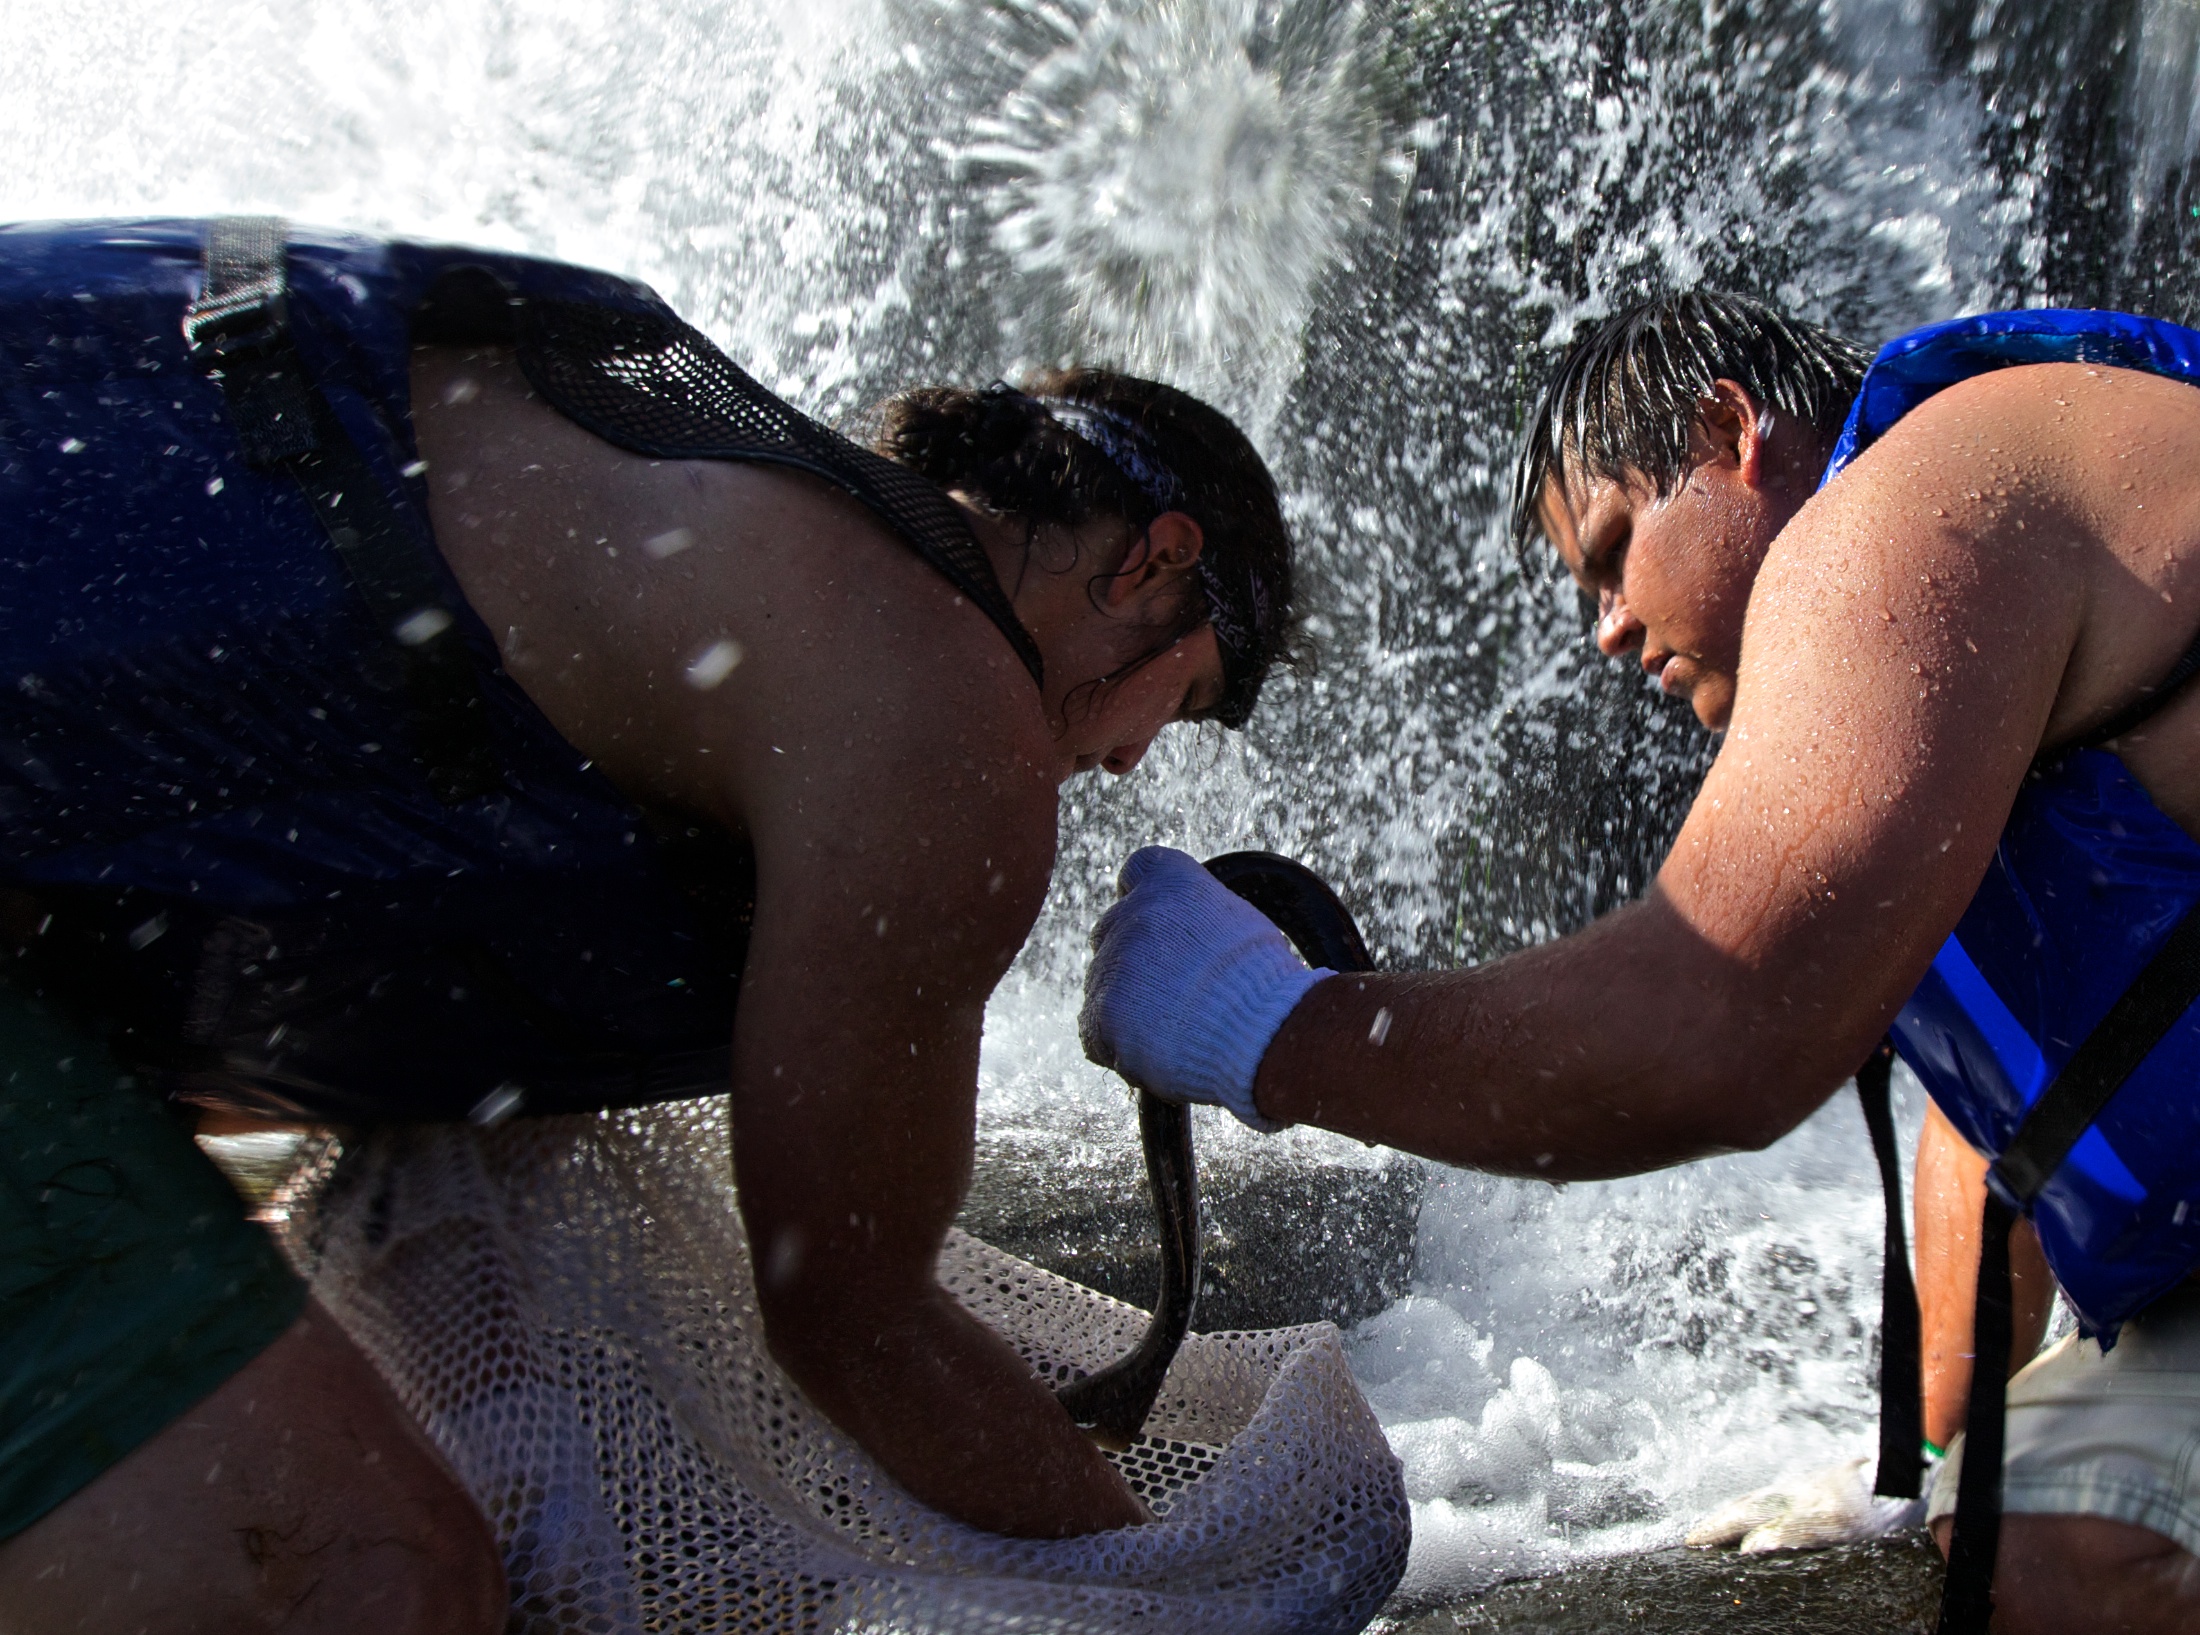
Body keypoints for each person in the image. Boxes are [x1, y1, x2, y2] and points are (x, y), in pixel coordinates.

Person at [0, 217, 1295, 1632]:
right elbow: (854, 1322)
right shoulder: (941, 722)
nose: (1122, 763)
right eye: (1186, 700)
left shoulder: (673, 517)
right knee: (368, 1584)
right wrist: (1178, 1593)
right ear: (1155, 563)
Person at [1080, 290, 2200, 1632]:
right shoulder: (1956, 644)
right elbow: (2000, 1122)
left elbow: (1721, 1031)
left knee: (2055, 1542)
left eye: (1614, 552)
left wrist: (1254, 1020)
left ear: (1732, 433)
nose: (1607, 627)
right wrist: (1925, 1458)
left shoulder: (1915, 506)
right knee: (1997, 1507)